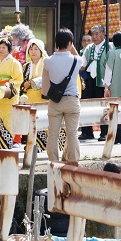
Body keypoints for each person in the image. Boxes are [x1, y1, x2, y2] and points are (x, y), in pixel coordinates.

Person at [42, 29, 82, 163]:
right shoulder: (76, 60)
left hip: (55, 101)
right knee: (72, 133)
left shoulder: (48, 61)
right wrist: (71, 47)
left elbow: (45, 82)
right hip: (72, 100)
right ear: (70, 43)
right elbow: (84, 63)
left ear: (56, 43)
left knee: (53, 134)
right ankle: (73, 161)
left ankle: (53, 162)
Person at [0, 38, 22, 149]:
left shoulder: (14, 63)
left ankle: (7, 143)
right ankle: (0, 143)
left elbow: (18, 79)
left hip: (8, 94)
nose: (1, 50)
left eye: (4, 47)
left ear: (9, 49)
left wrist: (8, 84)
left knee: (8, 119)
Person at [79, 25, 107, 141]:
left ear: (103, 34)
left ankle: (104, 132)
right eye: (92, 34)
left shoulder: (109, 47)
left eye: (97, 34)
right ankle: (87, 132)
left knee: (104, 107)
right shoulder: (89, 48)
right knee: (86, 105)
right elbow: (82, 65)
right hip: (90, 79)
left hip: (104, 81)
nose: (94, 37)